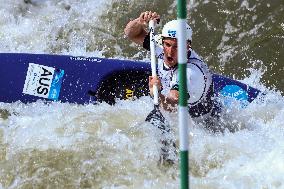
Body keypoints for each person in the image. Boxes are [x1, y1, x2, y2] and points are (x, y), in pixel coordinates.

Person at [125, 11, 217, 121]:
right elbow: (130, 33)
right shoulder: (161, 46)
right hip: (172, 101)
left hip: (199, 125)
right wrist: (140, 21)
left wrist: (156, 94)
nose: (169, 52)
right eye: (167, 45)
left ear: (187, 47)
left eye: (176, 47)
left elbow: (171, 106)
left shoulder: (190, 73)